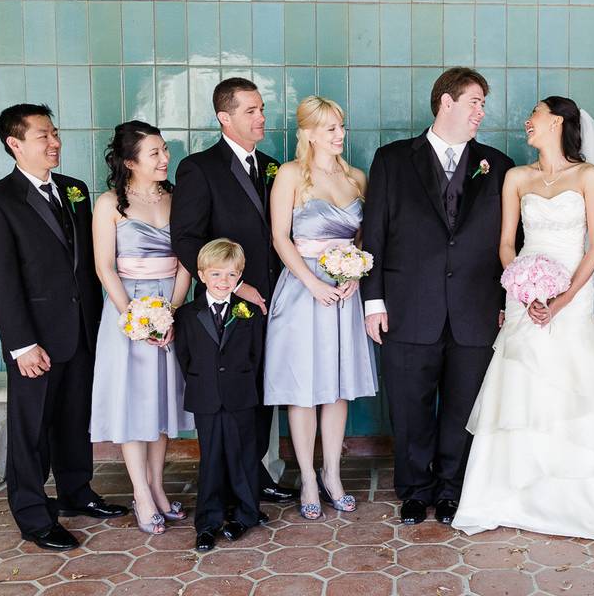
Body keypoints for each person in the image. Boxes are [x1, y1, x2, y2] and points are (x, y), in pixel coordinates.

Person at [453, 97, 594, 542]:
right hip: (524, 294)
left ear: (556, 121)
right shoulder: (516, 177)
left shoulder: (588, 176)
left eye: (533, 114)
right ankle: (509, 497)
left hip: (571, 295)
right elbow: (506, 243)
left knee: (571, 385)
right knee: (519, 385)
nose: (526, 121)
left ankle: (577, 504)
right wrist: (522, 288)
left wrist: (561, 299)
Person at [0, 104, 128, 551]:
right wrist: (21, 345)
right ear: (14, 144)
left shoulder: (74, 190)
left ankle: (77, 492)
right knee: (32, 429)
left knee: (74, 419)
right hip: (35, 338)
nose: (54, 142)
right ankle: (34, 516)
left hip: (80, 330)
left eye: (55, 133)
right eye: (43, 135)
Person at [361, 67, 515, 525]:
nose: (481, 113)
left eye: (483, 104)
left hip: (477, 307)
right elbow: (374, 235)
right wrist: (374, 301)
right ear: (446, 103)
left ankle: (452, 489)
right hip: (408, 306)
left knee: (464, 405)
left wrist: (508, 300)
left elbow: (514, 240)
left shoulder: (498, 165)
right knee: (409, 405)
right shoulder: (392, 160)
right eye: (475, 102)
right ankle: (413, 489)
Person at [170, 77, 297, 504]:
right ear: (224, 118)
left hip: (274, 303)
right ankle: (223, 485)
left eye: (262, 108)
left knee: (261, 390)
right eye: (251, 111)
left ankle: (253, 476)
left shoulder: (275, 166)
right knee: (229, 398)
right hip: (226, 303)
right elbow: (186, 239)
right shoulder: (198, 168)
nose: (262, 117)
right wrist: (235, 286)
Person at [263, 96, 378, 519]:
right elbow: (280, 238)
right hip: (303, 290)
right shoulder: (291, 175)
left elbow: (363, 238)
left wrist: (352, 275)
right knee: (303, 387)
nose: (339, 135)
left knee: (337, 385)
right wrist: (312, 282)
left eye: (341, 127)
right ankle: (307, 476)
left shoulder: (357, 178)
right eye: (329, 128)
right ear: (308, 132)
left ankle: (332, 473)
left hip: (343, 294)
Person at [90, 121, 195, 534]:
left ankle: (158, 484)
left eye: (165, 150)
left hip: (170, 300)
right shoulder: (108, 204)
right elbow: (104, 266)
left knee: (163, 400)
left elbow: (188, 257)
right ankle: (141, 492)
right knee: (133, 402)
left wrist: (172, 309)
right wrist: (134, 318)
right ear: (130, 161)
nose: (165, 158)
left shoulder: (176, 198)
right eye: (155, 153)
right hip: (128, 308)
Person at [174, 239, 266, 552]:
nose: (222, 282)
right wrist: (204, 383)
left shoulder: (249, 313)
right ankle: (208, 523)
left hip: (240, 394)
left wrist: (239, 381)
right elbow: (184, 358)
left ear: (239, 277)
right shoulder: (187, 315)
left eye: (230, 275)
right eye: (216, 275)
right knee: (211, 460)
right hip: (206, 396)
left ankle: (246, 514)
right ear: (201, 275)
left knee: (243, 457)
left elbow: (255, 356)